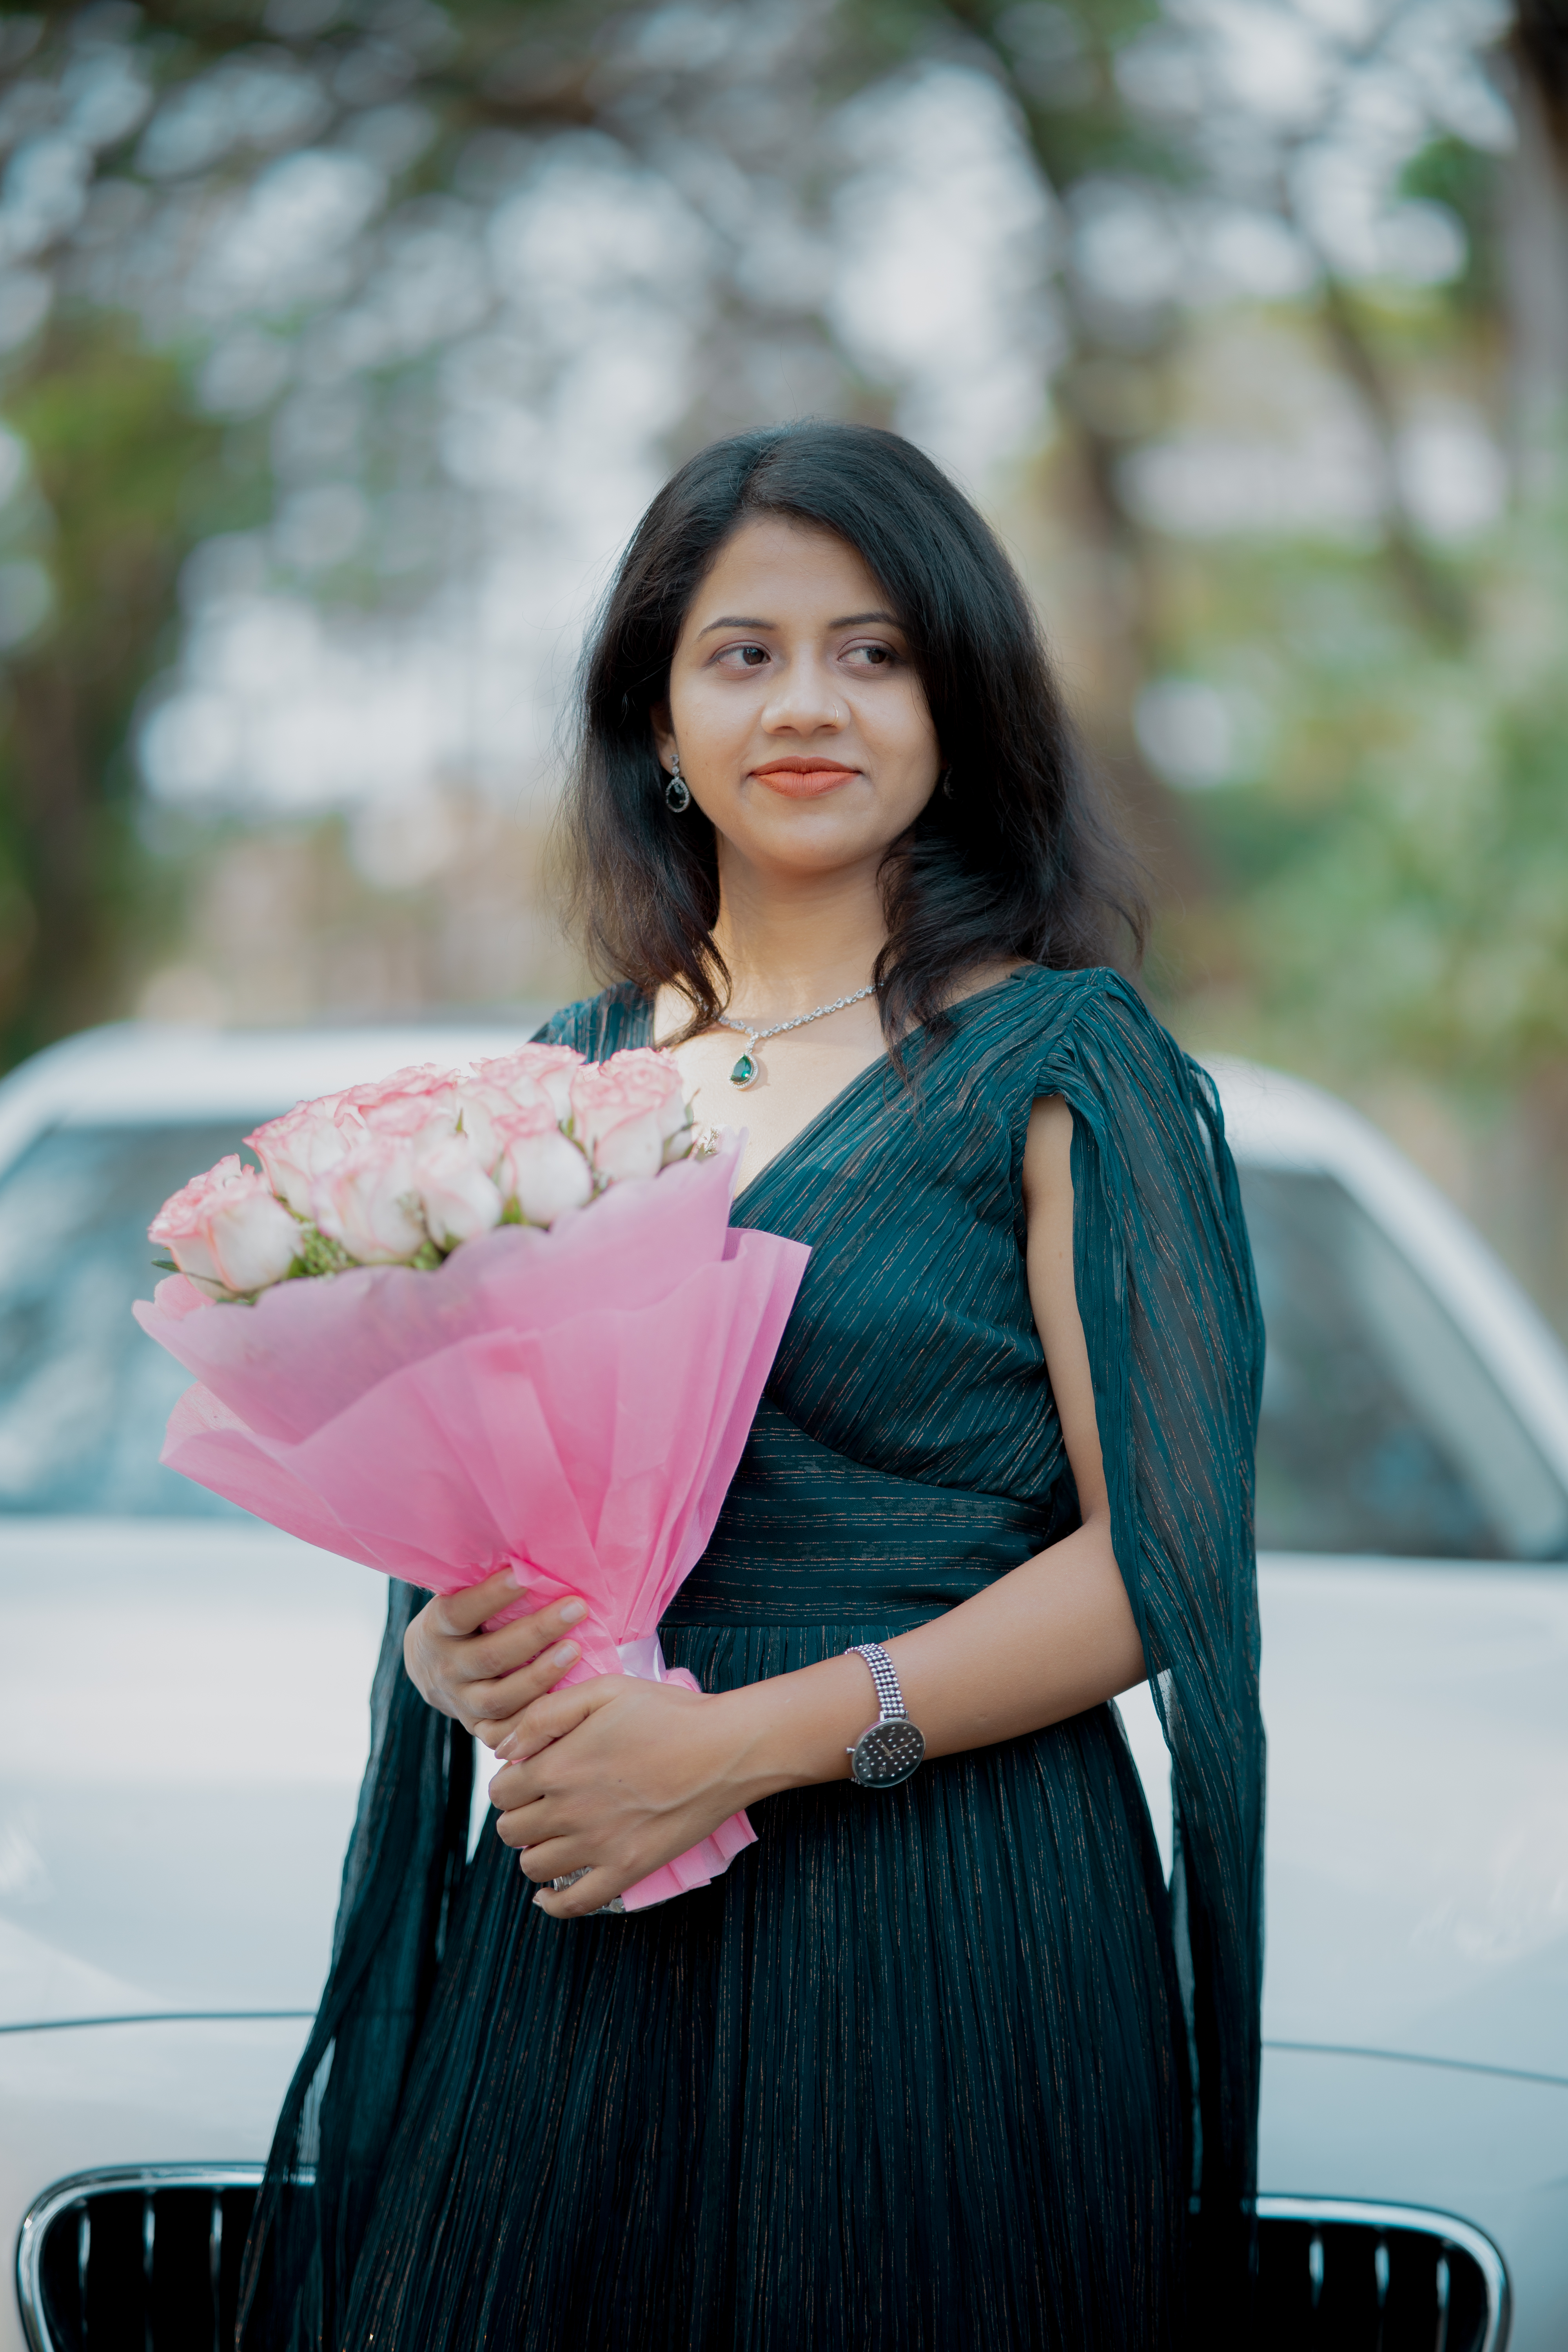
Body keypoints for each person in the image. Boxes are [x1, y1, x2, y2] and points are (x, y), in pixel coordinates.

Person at [239, 421, 1264, 2352]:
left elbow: (1164, 1567)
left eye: (875, 653)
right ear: (655, 712)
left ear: (958, 705)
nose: (811, 702)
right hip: (597, 1897)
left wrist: (736, 1745)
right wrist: (457, 1656)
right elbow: (490, 1517)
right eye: (745, 652)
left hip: (955, 1895)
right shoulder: (562, 1080)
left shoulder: (1066, 1058)